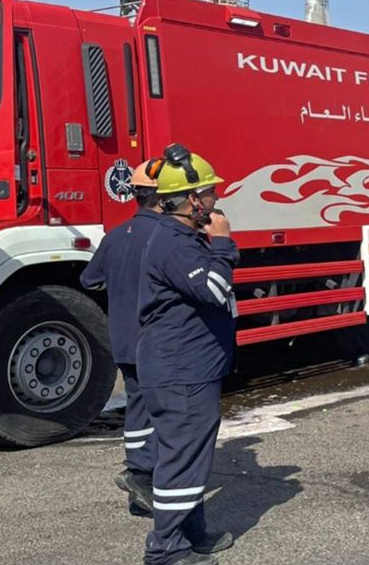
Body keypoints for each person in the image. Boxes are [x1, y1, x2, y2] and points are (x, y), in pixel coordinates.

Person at [137, 144, 238, 565]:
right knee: (181, 456)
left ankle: (192, 532)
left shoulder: (179, 237)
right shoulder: (176, 245)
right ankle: (166, 548)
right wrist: (223, 243)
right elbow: (215, 289)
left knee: (190, 452)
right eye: (211, 192)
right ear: (194, 200)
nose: (216, 199)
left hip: (186, 366)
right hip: (180, 369)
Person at [80, 160, 165, 515]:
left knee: (138, 407)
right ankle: (144, 475)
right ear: (163, 197)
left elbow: (89, 280)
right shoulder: (168, 236)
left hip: (125, 339)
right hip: (157, 341)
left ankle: (137, 482)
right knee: (165, 411)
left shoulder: (116, 235)